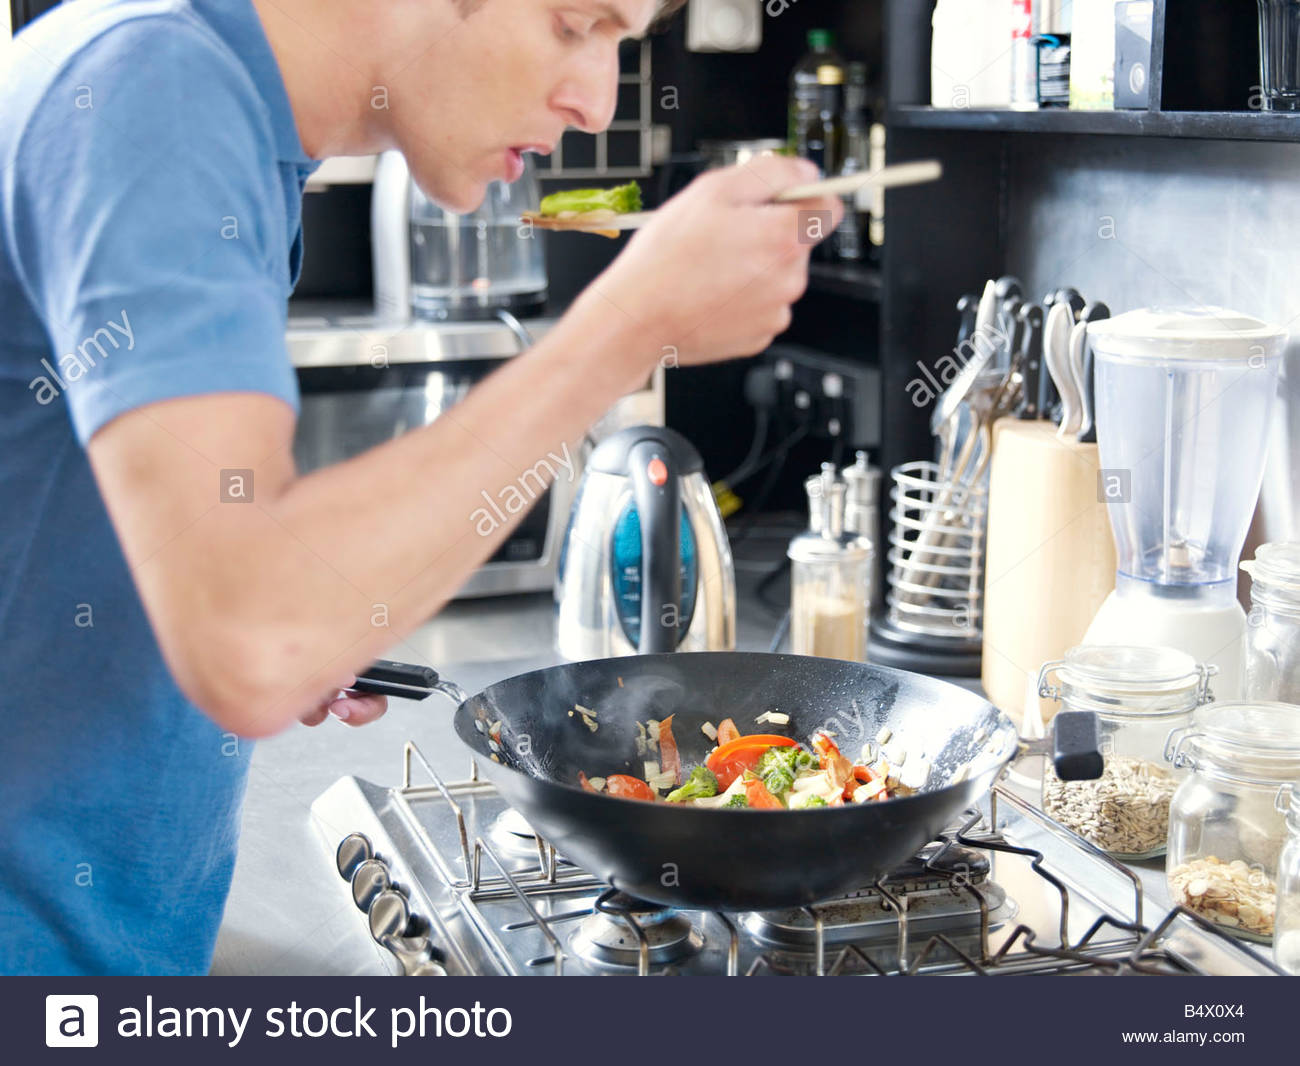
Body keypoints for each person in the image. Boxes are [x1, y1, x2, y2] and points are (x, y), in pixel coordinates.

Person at [0, 0, 842, 974]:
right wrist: (622, 330)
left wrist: (314, 609)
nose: (595, 102)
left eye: (626, 44)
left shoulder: (237, 127)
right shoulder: (156, 87)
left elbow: (162, 559)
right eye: (576, 23)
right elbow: (250, 642)